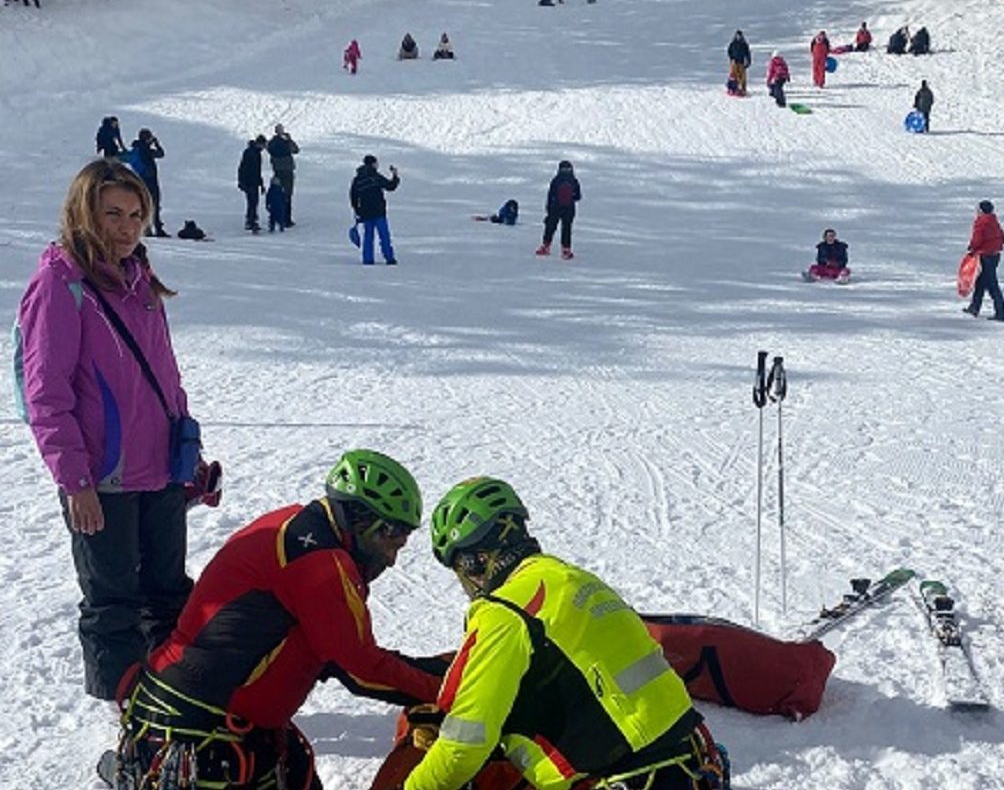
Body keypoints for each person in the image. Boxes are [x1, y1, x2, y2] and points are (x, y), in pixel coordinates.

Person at [110, 451, 447, 790]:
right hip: (207, 739)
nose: (390, 559)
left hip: (182, 717)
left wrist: (440, 674)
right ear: (362, 520)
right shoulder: (322, 565)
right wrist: (448, 690)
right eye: (390, 540)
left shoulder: (292, 524)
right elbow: (360, 669)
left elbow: (331, 652)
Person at [15, 160, 204, 700]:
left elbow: (164, 378)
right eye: (113, 214)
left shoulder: (139, 278)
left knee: (167, 594)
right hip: (103, 479)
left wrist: (187, 454)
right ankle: (126, 712)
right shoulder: (60, 285)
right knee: (112, 601)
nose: (127, 227)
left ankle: (174, 699)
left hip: (161, 471)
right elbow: (46, 395)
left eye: (137, 215)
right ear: (84, 213)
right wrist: (75, 482)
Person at [404, 476, 724, 790]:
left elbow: (464, 746)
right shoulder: (577, 581)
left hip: (621, 779)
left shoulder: (503, 612)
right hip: (694, 766)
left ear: (475, 561)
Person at [350, 154, 400, 265]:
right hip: (379, 212)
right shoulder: (375, 176)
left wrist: (357, 210)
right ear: (373, 164)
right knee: (384, 236)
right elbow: (390, 186)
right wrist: (395, 176)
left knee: (368, 237)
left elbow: (353, 196)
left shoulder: (357, 179)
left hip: (365, 213)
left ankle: (368, 259)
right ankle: (389, 258)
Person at [963, 200, 1004, 321]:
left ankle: (1000, 313)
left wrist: (972, 248)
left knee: (992, 286)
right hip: (995, 255)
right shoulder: (994, 221)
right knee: (980, 283)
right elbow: (1002, 236)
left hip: (985, 256)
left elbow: (977, 239)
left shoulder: (981, 222)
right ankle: (974, 307)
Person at [535, 160, 581, 259]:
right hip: (569, 208)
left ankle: (546, 246)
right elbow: (578, 196)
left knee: (550, 226)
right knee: (567, 228)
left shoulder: (556, 180)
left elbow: (550, 194)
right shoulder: (574, 180)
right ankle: (566, 250)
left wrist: (548, 208)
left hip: (555, 207)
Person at [130, 128, 167, 237]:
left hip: (142, 180)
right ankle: (155, 228)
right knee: (154, 204)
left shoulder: (138, 148)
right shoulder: (145, 149)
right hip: (150, 180)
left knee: (146, 204)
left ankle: (147, 228)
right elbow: (161, 154)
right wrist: (157, 144)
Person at [267, 123, 300, 227]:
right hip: (286, 171)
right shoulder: (286, 141)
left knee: (278, 194)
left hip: (277, 171)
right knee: (287, 195)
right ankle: (286, 219)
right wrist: (289, 140)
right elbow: (296, 150)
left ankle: (279, 217)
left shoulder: (272, 142)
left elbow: (269, 150)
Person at [237, 135, 267, 232]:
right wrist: (241, 181)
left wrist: (261, 184)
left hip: (254, 182)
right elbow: (242, 168)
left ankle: (252, 219)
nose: (264, 148)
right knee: (252, 201)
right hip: (248, 182)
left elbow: (258, 171)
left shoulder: (257, 153)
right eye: (263, 145)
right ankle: (250, 221)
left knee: (254, 202)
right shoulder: (249, 152)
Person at [727, 30, 751, 96]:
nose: (738, 37)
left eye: (740, 36)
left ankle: (743, 89)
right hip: (734, 62)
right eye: (737, 36)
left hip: (741, 62)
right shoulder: (733, 43)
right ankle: (733, 88)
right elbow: (729, 51)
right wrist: (731, 58)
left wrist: (748, 61)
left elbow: (747, 53)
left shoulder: (744, 44)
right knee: (733, 75)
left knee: (742, 76)